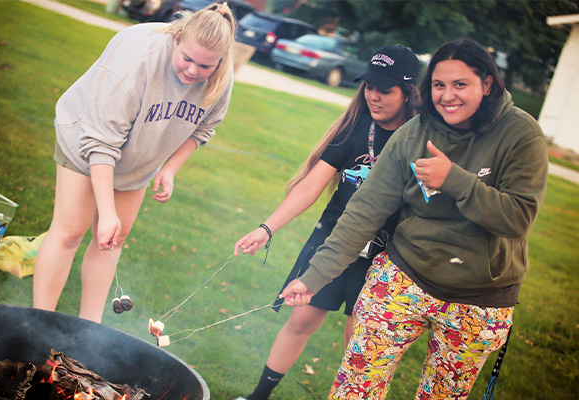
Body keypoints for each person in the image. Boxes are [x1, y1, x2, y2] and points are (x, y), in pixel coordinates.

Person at [280, 38, 549, 399]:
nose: (447, 95)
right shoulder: (415, 132)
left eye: (460, 84)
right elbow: (363, 212)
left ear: (486, 84)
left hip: (480, 297)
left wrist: (454, 180)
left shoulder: (521, 133)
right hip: (404, 275)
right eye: (439, 84)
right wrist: (313, 277)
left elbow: (517, 218)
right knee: (355, 385)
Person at [234, 45, 421, 400]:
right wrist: (266, 228)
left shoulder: (420, 139)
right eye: (369, 86)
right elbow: (309, 187)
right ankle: (258, 397)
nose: (374, 96)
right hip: (332, 244)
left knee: (360, 343)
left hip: (385, 258)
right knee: (300, 320)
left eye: (386, 89)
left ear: (409, 94)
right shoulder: (355, 128)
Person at [33, 3, 236, 323]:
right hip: (86, 140)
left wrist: (169, 168)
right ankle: (39, 325)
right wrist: (107, 211)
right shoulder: (136, 61)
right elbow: (99, 142)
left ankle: (89, 330)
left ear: (220, 62)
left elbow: (203, 128)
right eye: (187, 59)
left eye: (205, 66)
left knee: (112, 241)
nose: (194, 72)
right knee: (70, 231)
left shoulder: (220, 77)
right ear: (176, 38)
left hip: (138, 161)